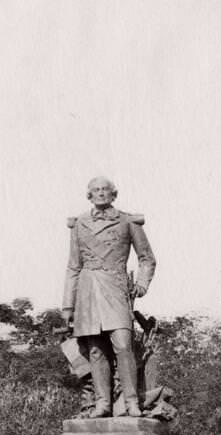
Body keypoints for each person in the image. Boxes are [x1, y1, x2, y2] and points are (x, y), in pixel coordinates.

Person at [62, 176, 156, 417]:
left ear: (114, 194)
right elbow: (73, 266)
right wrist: (67, 307)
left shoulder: (127, 221)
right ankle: (103, 404)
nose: (101, 193)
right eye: (96, 190)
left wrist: (143, 285)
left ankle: (131, 403)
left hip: (115, 286)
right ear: (89, 195)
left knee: (123, 345)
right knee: (95, 350)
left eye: (105, 190)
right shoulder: (80, 224)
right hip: (88, 290)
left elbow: (146, 258)